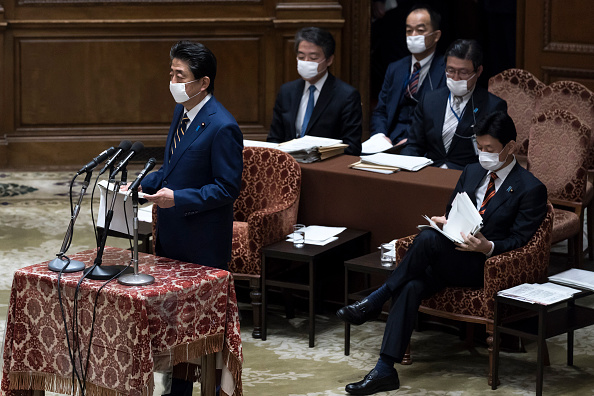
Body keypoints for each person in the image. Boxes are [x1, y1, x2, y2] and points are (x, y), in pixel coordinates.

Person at [337, 111, 547, 395]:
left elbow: (522, 241)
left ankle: (376, 299)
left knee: (425, 241)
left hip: (485, 268)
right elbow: (453, 212)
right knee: (411, 283)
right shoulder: (472, 171)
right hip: (451, 256)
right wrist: (445, 222)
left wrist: (488, 247)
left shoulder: (530, 188)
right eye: (480, 147)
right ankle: (385, 370)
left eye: (490, 149)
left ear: (510, 147)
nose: (483, 154)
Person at [139, 40, 243, 272]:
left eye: (180, 76)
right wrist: (140, 185)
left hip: (202, 241)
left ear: (203, 82)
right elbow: (172, 166)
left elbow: (227, 188)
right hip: (170, 233)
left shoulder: (222, 126)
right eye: (171, 74)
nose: (172, 83)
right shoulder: (182, 109)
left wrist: (178, 198)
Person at [400, 39, 507, 169]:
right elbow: (414, 145)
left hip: (466, 177)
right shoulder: (429, 100)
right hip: (430, 173)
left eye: (463, 72)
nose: (455, 78)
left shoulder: (493, 106)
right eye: (450, 70)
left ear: (478, 71)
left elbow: (493, 157)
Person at [266, 27, 363, 155]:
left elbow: (352, 147)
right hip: (288, 165)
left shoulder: (346, 96)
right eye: (301, 56)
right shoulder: (287, 91)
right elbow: (274, 138)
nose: (306, 62)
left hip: (326, 168)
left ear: (329, 60)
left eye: (313, 58)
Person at [369, 3, 446, 146]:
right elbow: (381, 111)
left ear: (436, 36)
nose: (413, 36)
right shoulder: (395, 68)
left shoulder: (447, 71)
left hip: (424, 145)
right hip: (390, 142)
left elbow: (445, 119)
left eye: (420, 30)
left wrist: (414, 142)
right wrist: (380, 136)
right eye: (409, 31)